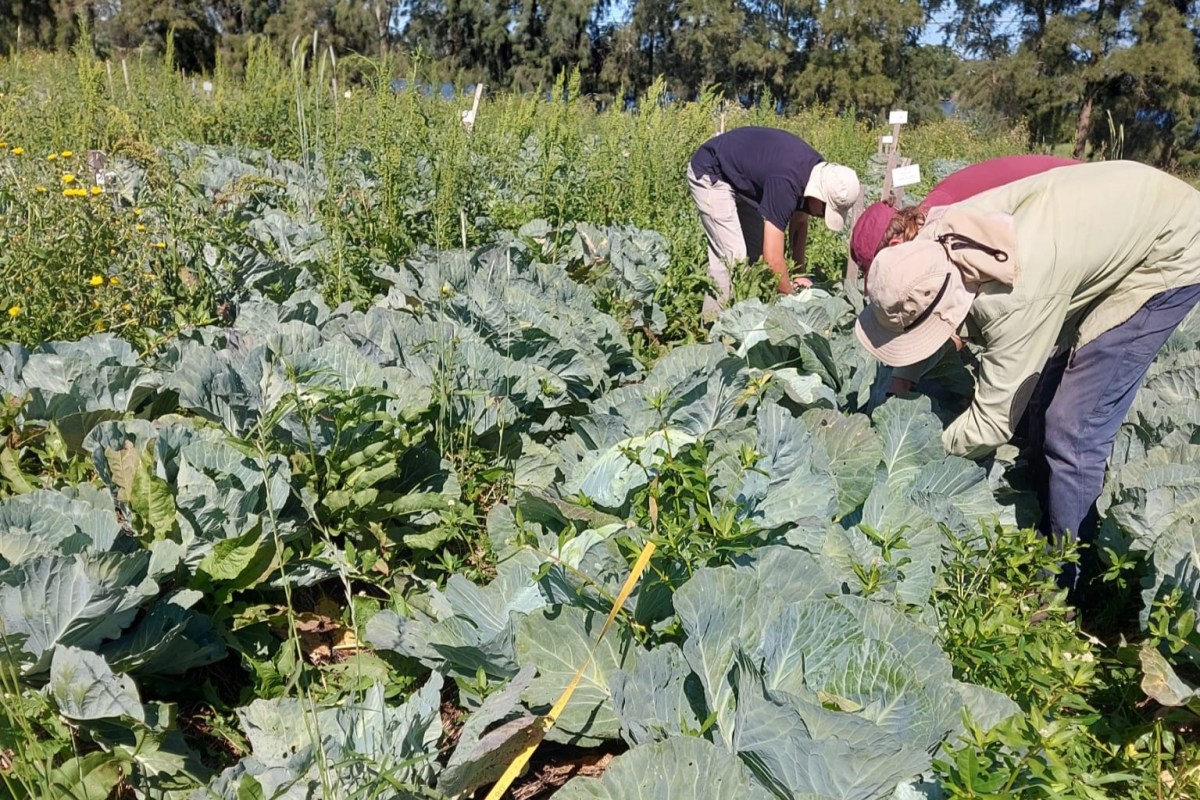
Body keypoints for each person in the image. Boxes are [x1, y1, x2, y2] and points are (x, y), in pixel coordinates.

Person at [854, 160, 1200, 598]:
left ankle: (1071, 583)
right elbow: (919, 304)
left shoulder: (1013, 302)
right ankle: (1045, 516)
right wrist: (899, 383)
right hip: (1108, 224)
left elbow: (991, 424)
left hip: (1168, 250)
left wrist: (915, 449)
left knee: (1071, 429)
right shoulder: (929, 237)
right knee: (1039, 401)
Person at [848, 154, 1079, 396]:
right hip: (1059, 206)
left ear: (895, 247)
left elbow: (962, 313)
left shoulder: (947, 223)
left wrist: (905, 377)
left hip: (1073, 204)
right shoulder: (926, 223)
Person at [687, 127, 860, 315]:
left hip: (740, 178)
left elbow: (800, 221)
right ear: (819, 194)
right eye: (826, 209)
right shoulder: (786, 183)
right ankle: (714, 328)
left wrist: (798, 273)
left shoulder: (817, 173)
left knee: (754, 253)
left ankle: (743, 316)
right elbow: (772, 257)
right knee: (732, 258)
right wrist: (792, 301)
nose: (822, 215)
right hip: (712, 172)